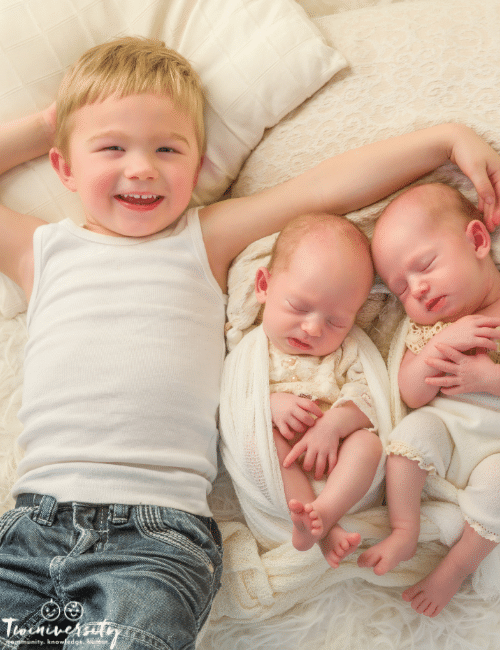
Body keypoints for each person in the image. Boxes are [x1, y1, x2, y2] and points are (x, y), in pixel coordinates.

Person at [0, 33, 500, 648]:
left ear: (198, 164)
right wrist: (49, 122)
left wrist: (444, 140)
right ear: (65, 167)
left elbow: (317, 192)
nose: (142, 167)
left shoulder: (200, 240)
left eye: (167, 148)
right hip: (32, 525)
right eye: (112, 146)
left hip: (156, 537)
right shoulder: (41, 250)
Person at [359, 182, 500, 618]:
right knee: (409, 436)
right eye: (401, 289)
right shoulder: (432, 331)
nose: (416, 289)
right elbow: (410, 391)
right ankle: (404, 527)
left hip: (496, 448)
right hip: (448, 434)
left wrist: (487, 377)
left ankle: (457, 567)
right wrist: (442, 345)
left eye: (425, 266)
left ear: (477, 241)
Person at [254, 213, 383, 568]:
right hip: (284, 458)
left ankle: (326, 512)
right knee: (269, 437)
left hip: (336, 459)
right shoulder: (250, 351)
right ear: (264, 285)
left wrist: (333, 426)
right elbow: (228, 404)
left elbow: (373, 401)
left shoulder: (346, 352)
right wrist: (268, 405)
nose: (312, 328)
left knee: (369, 444)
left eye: (336, 321)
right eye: (298, 307)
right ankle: (319, 528)